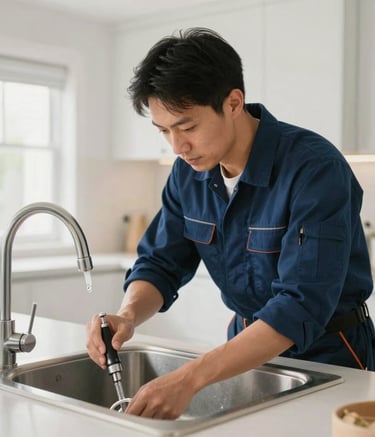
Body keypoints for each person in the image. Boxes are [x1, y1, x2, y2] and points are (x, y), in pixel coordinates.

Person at [86, 27, 375, 419]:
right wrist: (128, 313)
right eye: (164, 130)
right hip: (242, 351)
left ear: (234, 102)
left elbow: (300, 307)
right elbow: (160, 262)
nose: (177, 146)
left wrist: (189, 378)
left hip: (333, 354)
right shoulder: (187, 173)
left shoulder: (314, 167)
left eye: (187, 127)